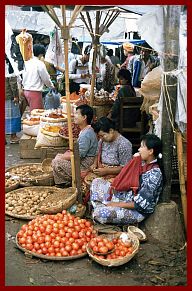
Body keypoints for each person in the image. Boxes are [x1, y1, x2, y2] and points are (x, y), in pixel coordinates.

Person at [90, 134, 163, 225]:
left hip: (136, 211)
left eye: (142, 147)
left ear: (150, 151)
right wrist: (134, 161)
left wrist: (115, 204)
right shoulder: (142, 162)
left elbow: (139, 204)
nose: (139, 149)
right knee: (97, 182)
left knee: (99, 214)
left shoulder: (154, 174)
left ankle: (100, 210)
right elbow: (127, 176)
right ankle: (102, 207)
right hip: (125, 197)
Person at [52, 104, 98, 187]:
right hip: (81, 161)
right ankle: (62, 183)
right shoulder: (86, 130)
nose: (74, 115)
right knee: (57, 158)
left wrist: (62, 157)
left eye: (77, 113)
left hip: (84, 165)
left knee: (56, 162)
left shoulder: (86, 134)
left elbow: (80, 155)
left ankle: (71, 182)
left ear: (84, 117)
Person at [22, 44, 54, 112]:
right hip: (34, 92)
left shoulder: (26, 62)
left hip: (25, 90)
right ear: (41, 54)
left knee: (32, 112)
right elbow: (45, 78)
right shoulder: (39, 64)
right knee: (37, 114)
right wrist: (51, 86)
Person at [5, 56, 21, 144]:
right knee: (12, 116)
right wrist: (15, 96)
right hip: (9, 95)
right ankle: (13, 136)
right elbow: (13, 82)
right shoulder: (10, 66)